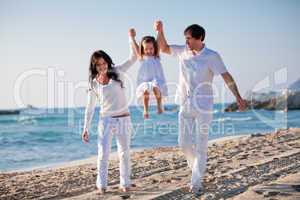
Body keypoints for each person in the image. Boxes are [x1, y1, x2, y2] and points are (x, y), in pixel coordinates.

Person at [154, 21, 247, 196]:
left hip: (204, 106)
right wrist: (160, 31)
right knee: (184, 143)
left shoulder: (212, 56)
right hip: (185, 104)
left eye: (189, 39)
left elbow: (226, 76)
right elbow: (164, 47)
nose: (186, 42)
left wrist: (238, 96)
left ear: (200, 38)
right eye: (185, 39)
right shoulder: (183, 51)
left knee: (201, 146)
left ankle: (196, 183)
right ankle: (197, 167)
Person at [81, 28, 138, 194]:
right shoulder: (93, 83)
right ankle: (102, 185)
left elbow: (134, 57)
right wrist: (86, 127)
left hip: (123, 119)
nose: (102, 66)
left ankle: (125, 183)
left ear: (107, 62)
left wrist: (131, 38)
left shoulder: (117, 72)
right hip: (105, 120)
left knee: (124, 153)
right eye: (98, 64)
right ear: (94, 66)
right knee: (102, 155)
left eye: (104, 63)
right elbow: (90, 107)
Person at [131, 34, 168, 119]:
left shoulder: (156, 56)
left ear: (155, 48)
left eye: (151, 48)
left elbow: (158, 42)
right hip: (145, 80)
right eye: (146, 49)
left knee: (156, 87)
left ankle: (159, 105)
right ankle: (145, 110)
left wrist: (159, 31)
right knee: (145, 91)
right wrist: (132, 38)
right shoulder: (141, 57)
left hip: (156, 78)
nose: (149, 51)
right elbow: (136, 48)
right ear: (143, 49)